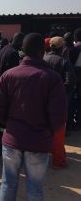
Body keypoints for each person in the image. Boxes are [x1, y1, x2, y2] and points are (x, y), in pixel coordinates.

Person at [0, 33, 67, 201]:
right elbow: (59, 116)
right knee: (35, 188)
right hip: (38, 141)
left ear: (23, 50)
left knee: (8, 183)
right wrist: (47, 131)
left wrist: (9, 123)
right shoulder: (52, 78)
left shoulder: (9, 75)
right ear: (42, 51)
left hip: (12, 139)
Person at [43, 36, 74, 169]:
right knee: (58, 132)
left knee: (44, 130)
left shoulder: (42, 59)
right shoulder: (64, 62)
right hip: (58, 104)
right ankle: (59, 161)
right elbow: (70, 82)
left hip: (42, 101)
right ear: (62, 48)